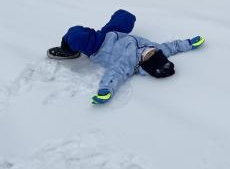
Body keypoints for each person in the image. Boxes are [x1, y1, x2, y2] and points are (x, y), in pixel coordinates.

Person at [47, 9, 205, 104]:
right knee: (126, 17)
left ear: (144, 63)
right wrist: (190, 43)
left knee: (76, 34)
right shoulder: (158, 49)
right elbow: (174, 46)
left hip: (98, 46)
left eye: (148, 55)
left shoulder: (127, 64)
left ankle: (68, 49)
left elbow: (114, 75)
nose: (149, 50)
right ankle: (93, 34)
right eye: (153, 52)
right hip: (113, 33)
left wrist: (105, 91)